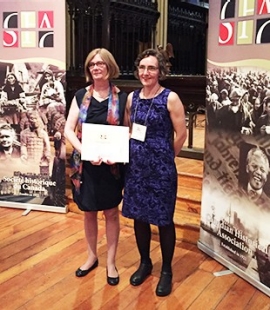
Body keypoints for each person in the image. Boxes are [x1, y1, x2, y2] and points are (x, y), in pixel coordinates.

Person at [121, 48, 187, 296]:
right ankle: (145, 262)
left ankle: (167, 270)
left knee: (164, 220)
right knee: (139, 217)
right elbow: (129, 129)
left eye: (151, 68)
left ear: (160, 71)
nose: (146, 72)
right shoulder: (132, 98)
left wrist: (166, 158)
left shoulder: (170, 98)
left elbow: (181, 134)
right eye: (142, 68)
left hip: (161, 170)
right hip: (136, 168)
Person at [64, 48, 127, 286]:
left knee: (111, 213)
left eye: (100, 63)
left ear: (109, 66)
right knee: (89, 212)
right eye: (92, 64)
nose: (96, 68)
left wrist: (117, 154)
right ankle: (92, 256)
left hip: (111, 167)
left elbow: (127, 130)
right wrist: (84, 151)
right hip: (86, 167)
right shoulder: (81, 95)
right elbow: (69, 129)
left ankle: (111, 262)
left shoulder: (122, 97)